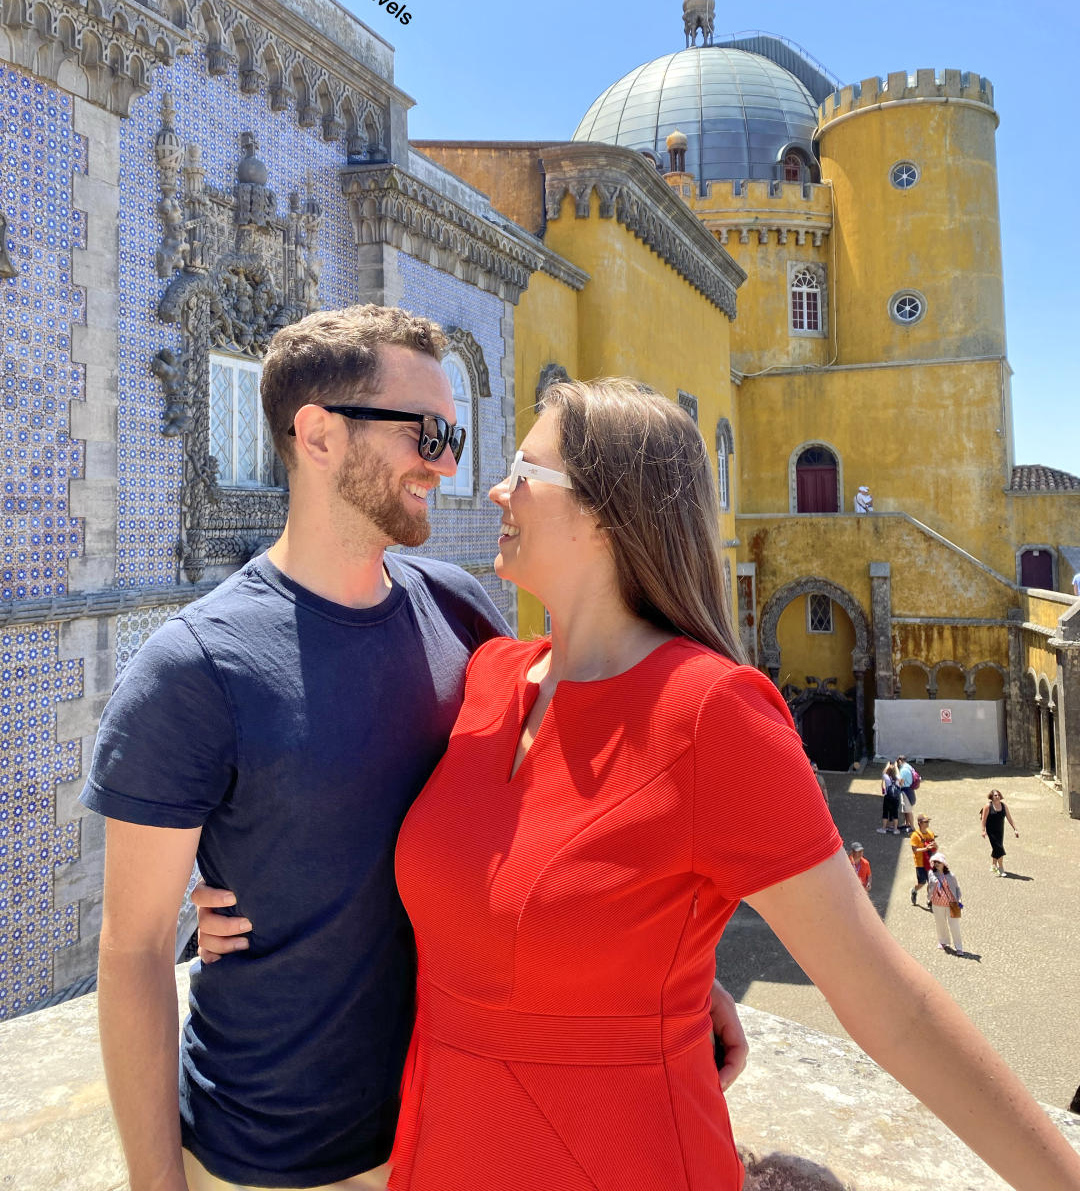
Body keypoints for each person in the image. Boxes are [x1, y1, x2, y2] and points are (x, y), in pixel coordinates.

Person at [88, 308, 747, 1191]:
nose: (447, 463)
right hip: (274, 1158)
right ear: (318, 435)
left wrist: (664, 974)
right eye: (426, 433)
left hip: (456, 1133)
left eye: (455, 434)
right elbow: (130, 952)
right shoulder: (193, 669)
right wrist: (156, 1182)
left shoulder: (460, 609)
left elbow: (576, 810)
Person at [383, 379, 1079, 1190]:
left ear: (607, 514)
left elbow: (889, 1004)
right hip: (441, 1148)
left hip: (621, 1159)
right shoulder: (487, 676)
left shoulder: (713, 715)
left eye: (526, 471)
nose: (498, 488)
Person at [928, 851, 965, 955]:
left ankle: (959, 947)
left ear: (943, 863)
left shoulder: (951, 875)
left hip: (952, 903)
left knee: (955, 925)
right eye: (934, 862)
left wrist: (959, 900)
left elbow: (957, 888)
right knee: (940, 924)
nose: (936, 864)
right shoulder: (931, 873)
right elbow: (932, 882)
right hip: (937, 902)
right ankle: (943, 941)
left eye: (938, 862)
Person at [981, 788, 1020, 875]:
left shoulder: (1004, 806)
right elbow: (983, 820)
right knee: (999, 848)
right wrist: (983, 831)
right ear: (992, 797)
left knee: (997, 848)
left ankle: (993, 865)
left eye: (998, 795)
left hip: (1000, 830)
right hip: (991, 831)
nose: (997, 797)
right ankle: (1001, 868)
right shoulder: (987, 806)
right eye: (995, 795)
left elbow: (1009, 818)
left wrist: (1015, 829)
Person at [909, 813, 938, 908]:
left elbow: (935, 848)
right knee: (922, 882)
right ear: (920, 823)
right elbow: (915, 850)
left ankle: (929, 900)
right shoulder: (915, 835)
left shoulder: (930, 833)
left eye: (928, 821)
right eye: (925, 822)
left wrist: (935, 847)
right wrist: (926, 848)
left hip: (930, 863)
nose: (927, 823)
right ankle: (914, 890)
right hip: (920, 863)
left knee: (931, 882)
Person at [895, 754, 916, 831]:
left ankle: (912, 827)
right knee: (906, 810)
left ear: (900, 761)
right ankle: (907, 824)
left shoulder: (903, 770)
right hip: (909, 789)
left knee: (908, 810)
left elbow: (901, 782)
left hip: (906, 790)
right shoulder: (909, 766)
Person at [879, 762, 901, 833]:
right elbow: (897, 772)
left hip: (888, 797)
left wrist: (887, 765)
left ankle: (883, 828)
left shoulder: (886, 777)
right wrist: (896, 766)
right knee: (895, 813)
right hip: (896, 798)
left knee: (885, 812)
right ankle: (895, 829)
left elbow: (883, 773)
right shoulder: (898, 777)